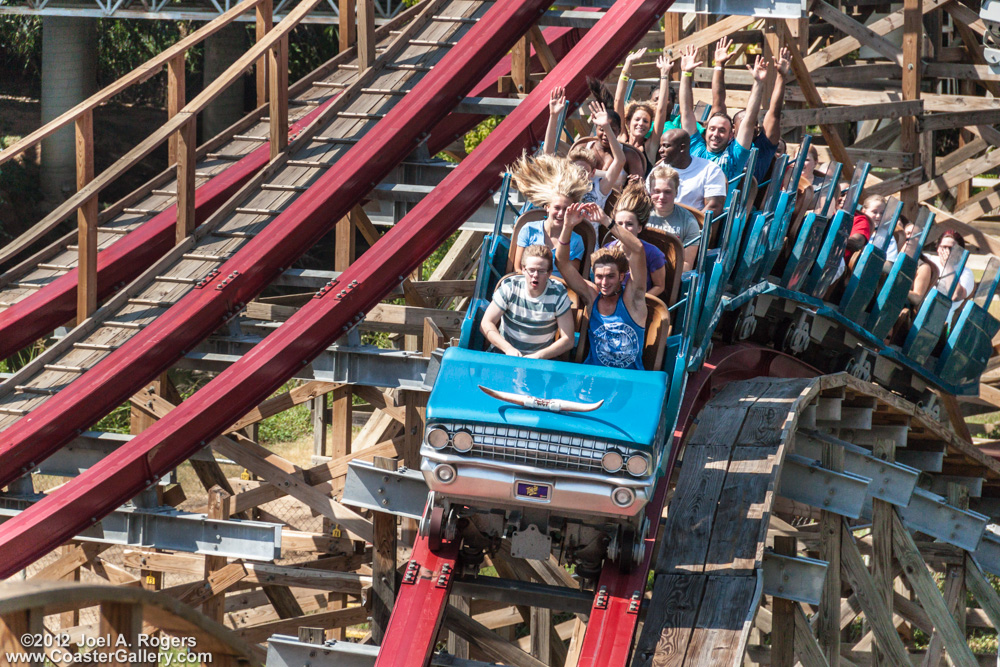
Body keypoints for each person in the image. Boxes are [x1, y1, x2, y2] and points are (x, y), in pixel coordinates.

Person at [556, 201, 647, 370]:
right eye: (599, 277)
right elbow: (562, 263)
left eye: (610, 276)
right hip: (595, 374)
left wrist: (606, 221)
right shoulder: (592, 297)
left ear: (621, 276)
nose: (604, 283)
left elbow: (638, 249)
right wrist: (567, 226)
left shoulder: (634, 298)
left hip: (629, 379)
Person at [679, 44, 769, 181]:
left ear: (731, 135)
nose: (715, 134)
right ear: (706, 130)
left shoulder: (735, 154)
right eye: (712, 129)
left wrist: (758, 83)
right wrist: (686, 73)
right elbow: (686, 111)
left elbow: (749, 119)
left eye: (722, 130)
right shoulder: (696, 149)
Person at [480, 244, 575, 359]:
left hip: (540, 360)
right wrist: (507, 348)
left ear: (549, 273)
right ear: (524, 269)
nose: (535, 275)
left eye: (541, 271)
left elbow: (568, 339)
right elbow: (486, 323)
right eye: (531, 270)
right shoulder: (510, 288)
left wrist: (539, 356)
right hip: (504, 355)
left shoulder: (558, 294)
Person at [716, 41, 791, 184]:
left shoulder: (763, 146)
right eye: (746, 123)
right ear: (733, 129)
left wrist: (781, 77)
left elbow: (774, 113)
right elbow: (718, 103)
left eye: (756, 124)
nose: (754, 127)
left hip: (750, 201)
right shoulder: (724, 142)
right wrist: (719, 66)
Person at [511, 153, 593, 278]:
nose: (561, 213)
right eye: (557, 208)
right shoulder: (528, 230)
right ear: (547, 207)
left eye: (566, 209)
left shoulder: (576, 241)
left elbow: (571, 278)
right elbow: (518, 268)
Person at [544, 90, 626, 215]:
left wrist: (606, 127)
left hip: (588, 234)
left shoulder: (599, 189)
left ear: (592, 173)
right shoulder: (562, 186)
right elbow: (548, 154)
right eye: (575, 170)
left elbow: (620, 161)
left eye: (583, 172)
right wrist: (553, 116)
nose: (579, 175)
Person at [601, 182, 667, 298]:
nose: (624, 229)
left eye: (629, 224)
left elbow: (659, 286)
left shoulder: (653, 253)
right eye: (619, 224)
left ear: (639, 227)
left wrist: (638, 301)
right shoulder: (608, 249)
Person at [614, 49, 673, 174]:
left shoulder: (650, 146)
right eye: (637, 119)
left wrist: (664, 74)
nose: (641, 123)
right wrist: (628, 64)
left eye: (646, 121)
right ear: (628, 122)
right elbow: (618, 100)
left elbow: (661, 111)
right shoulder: (621, 138)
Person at [650, 129, 727, 219]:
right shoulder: (658, 169)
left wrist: (688, 225)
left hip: (689, 228)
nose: (660, 150)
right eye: (660, 146)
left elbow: (714, 207)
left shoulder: (711, 170)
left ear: (682, 148)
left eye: (666, 146)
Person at [647, 164, 700, 270]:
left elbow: (686, 265)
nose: (661, 197)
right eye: (657, 191)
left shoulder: (689, 222)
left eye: (667, 192)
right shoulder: (639, 215)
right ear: (650, 191)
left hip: (670, 276)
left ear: (676, 192)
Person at [930, 231, 975, 320]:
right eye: (943, 247)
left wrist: (948, 265)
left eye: (951, 248)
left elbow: (955, 296)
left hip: (941, 317)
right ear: (938, 248)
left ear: (960, 252)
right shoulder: (929, 260)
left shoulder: (965, 273)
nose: (946, 251)